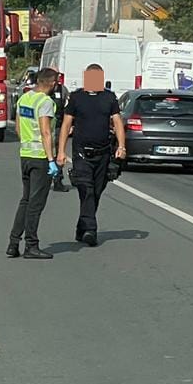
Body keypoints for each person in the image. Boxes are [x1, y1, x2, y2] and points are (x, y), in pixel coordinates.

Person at [57, 63, 127, 247]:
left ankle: (82, 227)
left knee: (96, 191)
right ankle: (91, 229)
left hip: (103, 153)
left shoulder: (109, 97)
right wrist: (61, 152)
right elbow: (66, 124)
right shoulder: (76, 97)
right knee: (85, 189)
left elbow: (117, 122)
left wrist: (122, 146)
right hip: (81, 152)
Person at [7, 66, 61, 260]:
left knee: (26, 200)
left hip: (26, 155)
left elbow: (19, 127)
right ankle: (31, 245)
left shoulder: (25, 98)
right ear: (52, 83)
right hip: (40, 158)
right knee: (35, 204)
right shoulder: (45, 102)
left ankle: (13, 243)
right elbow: (46, 132)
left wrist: (26, 144)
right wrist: (51, 160)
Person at [48, 73, 69, 192]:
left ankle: (58, 180)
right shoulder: (43, 90)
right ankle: (44, 180)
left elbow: (68, 106)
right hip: (45, 125)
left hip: (58, 126)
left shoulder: (63, 90)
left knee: (59, 153)